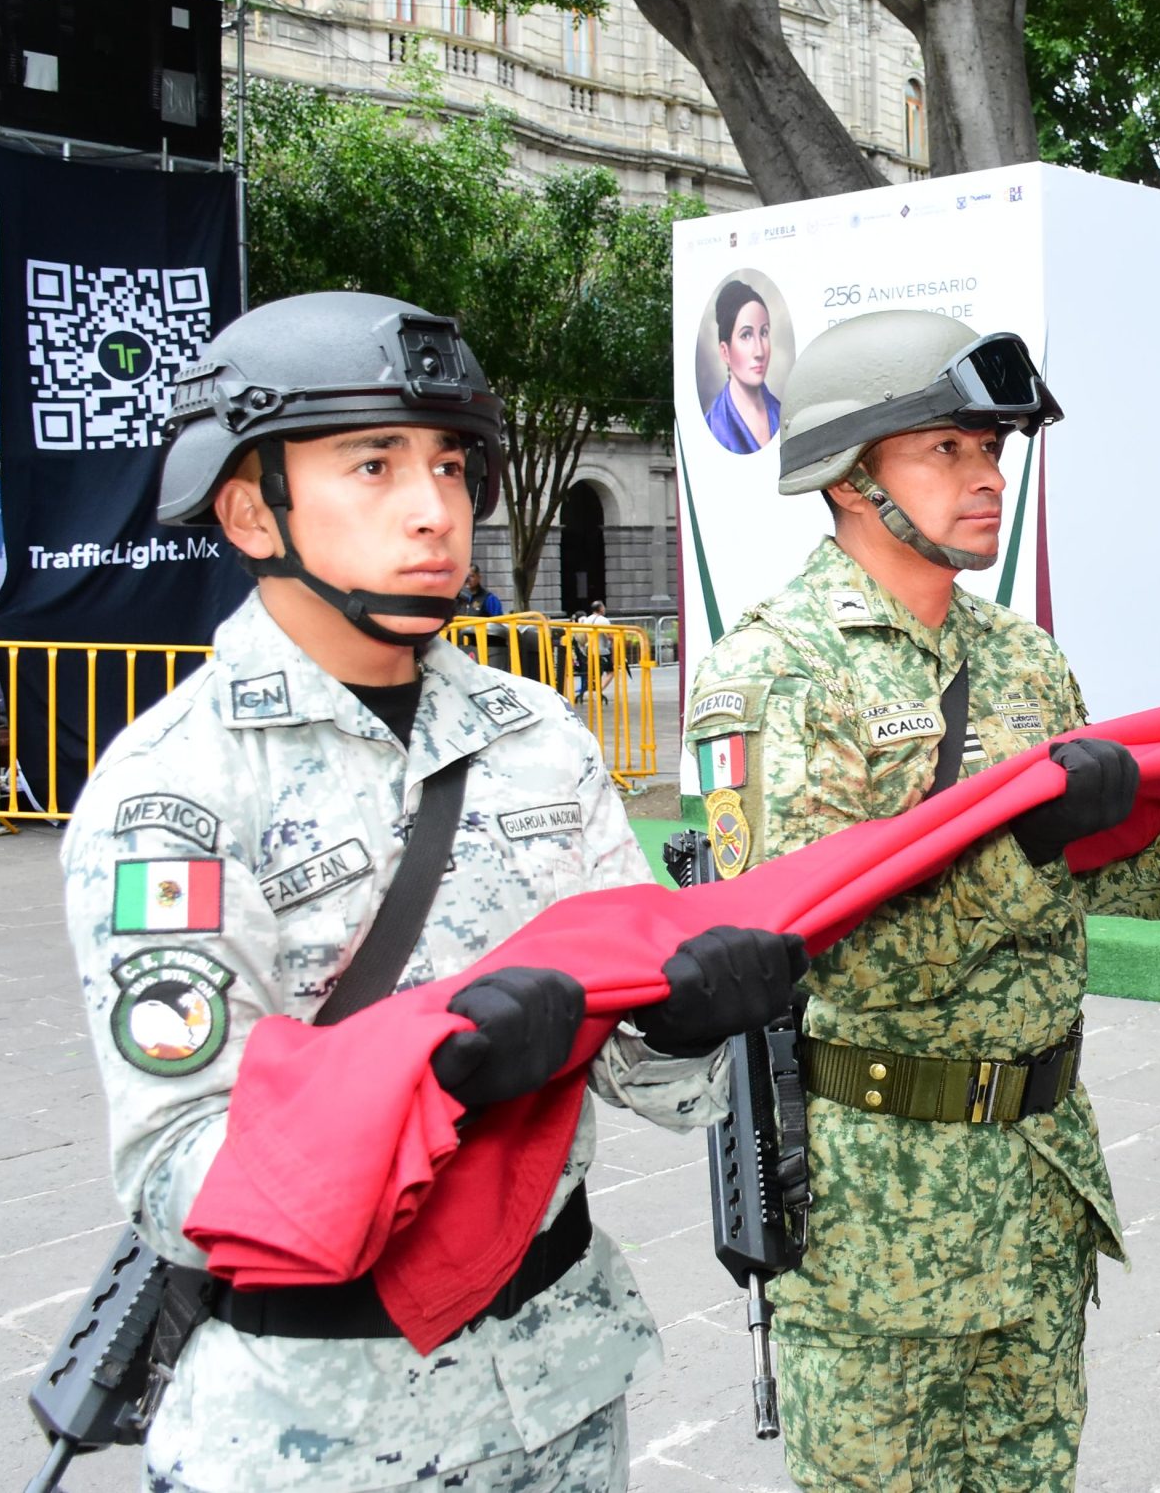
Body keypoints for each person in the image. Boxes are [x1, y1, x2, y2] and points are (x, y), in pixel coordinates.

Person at [61, 293, 807, 1493]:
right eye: (373, 465)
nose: (434, 510)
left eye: (452, 467)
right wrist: (431, 1081)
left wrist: (682, 1024)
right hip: (321, 1434)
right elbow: (176, 1172)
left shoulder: (538, 734)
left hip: (559, 1393)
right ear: (253, 508)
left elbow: (656, 1083)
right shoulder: (175, 788)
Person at [683, 308, 1160, 1491]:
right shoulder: (774, 670)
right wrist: (1029, 849)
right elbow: (808, 953)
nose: (987, 477)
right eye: (947, 449)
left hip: (1037, 1174)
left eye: (992, 449)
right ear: (847, 471)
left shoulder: (1025, 657)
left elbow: (1114, 878)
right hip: (879, 1205)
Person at [705, 277, 784, 453]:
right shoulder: (713, 427)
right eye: (746, 335)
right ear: (725, 351)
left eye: (764, 332)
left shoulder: (783, 414)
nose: (759, 351)